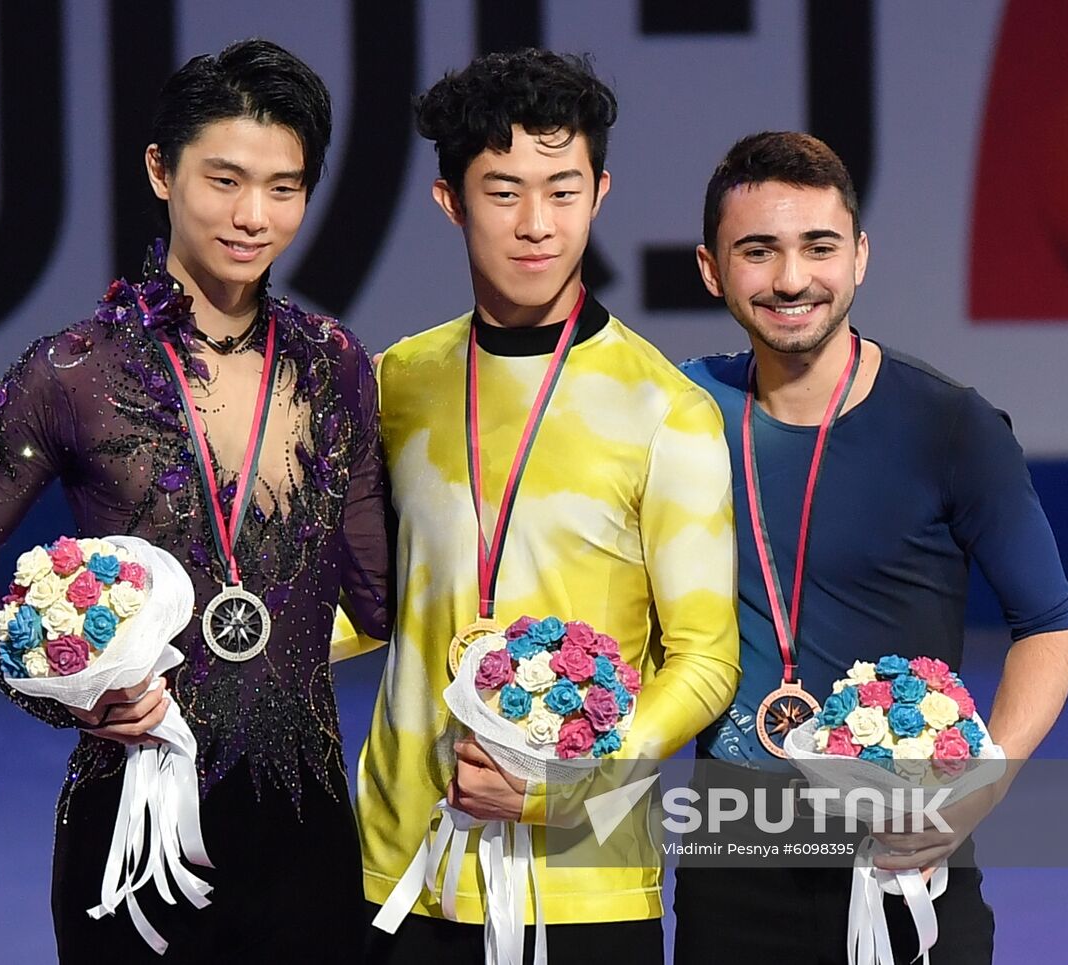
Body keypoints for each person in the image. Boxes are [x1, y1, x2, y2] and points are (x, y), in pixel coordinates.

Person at [0, 38, 390, 963]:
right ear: (160, 172)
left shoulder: (335, 366)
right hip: (128, 830)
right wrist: (58, 682)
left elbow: (378, 592)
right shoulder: (74, 373)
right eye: (224, 179)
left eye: (285, 187)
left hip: (310, 837)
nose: (253, 215)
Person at [335, 49, 740, 965]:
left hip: (588, 884)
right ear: (451, 201)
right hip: (403, 873)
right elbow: (367, 604)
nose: (536, 225)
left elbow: (706, 659)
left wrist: (571, 779)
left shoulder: (664, 408)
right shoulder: (400, 380)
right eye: (503, 191)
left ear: (599, 192)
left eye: (563, 191)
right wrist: (200, 647)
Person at [673, 131, 1068, 964]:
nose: (792, 279)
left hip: (909, 855)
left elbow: (1051, 622)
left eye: (818, 247)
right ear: (712, 269)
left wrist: (973, 790)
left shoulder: (949, 423)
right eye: (758, 251)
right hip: (734, 856)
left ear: (859, 255)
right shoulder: (676, 412)